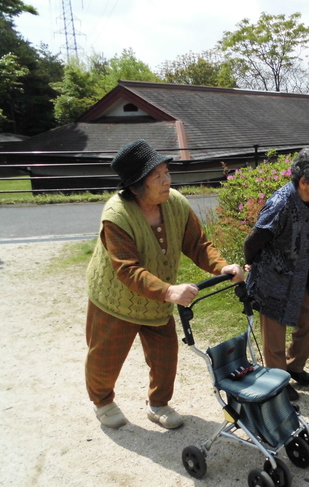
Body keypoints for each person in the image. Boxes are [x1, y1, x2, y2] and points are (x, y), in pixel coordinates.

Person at [85, 139, 244, 429]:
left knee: (165, 356)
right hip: (116, 300)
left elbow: (197, 244)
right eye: (156, 176)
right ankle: (103, 401)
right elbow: (127, 270)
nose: (166, 180)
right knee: (106, 357)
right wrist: (169, 290)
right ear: (135, 187)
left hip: (158, 300)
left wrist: (223, 266)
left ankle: (158, 404)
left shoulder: (176, 204)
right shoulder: (117, 216)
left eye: (166, 172)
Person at [243, 146, 309, 401]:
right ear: (304, 182)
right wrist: (252, 263)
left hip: (297, 277)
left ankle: (293, 366)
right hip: (271, 279)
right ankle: (277, 383)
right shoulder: (280, 204)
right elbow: (253, 241)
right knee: (274, 341)